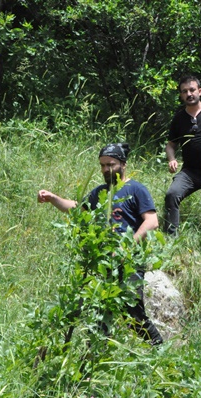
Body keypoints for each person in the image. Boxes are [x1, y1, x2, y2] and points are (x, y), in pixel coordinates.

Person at [37, 143, 163, 345]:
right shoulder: (99, 193)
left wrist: (125, 247)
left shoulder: (136, 189)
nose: (106, 169)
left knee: (132, 312)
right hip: (104, 262)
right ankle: (95, 354)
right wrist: (53, 198)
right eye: (102, 165)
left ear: (123, 164)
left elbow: (152, 221)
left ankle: (157, 348)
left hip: (129, 261)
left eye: (110, 164)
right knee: (100, 312)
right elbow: (78, 209)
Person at [164, 75, 201, 235]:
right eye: (184, 91)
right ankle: (171, 238)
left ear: (200, 91)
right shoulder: (179, 118)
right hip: (189, 172)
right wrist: (172, 159)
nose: (189, 94)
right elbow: (171, 144)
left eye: (192, 90)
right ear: (181, 95)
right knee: (172, 194)